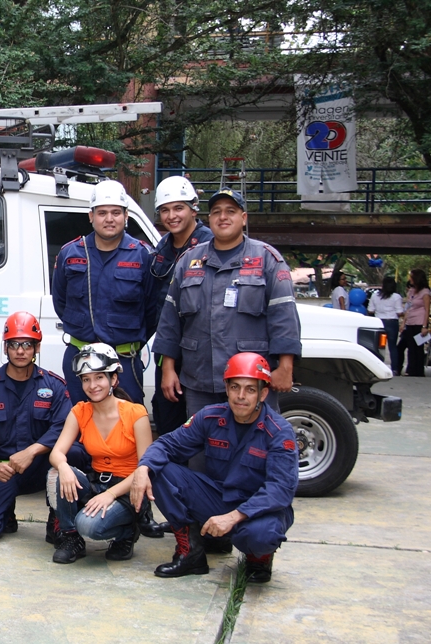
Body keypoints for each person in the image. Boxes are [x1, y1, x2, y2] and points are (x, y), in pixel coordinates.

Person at [130, 352, 298, 583]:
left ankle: (258, 558)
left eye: (250, 389)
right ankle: (191, 553)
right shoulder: (210, 417)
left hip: (258, 508)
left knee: (261, 535)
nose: (241, 396)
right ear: (226, 388)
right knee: (160, 469)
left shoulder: (279, 432)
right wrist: (143, 468)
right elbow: (168, 444)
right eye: (235, 387)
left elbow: (280, 490)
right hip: (219, 496)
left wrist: (232, 518)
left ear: (263, 393)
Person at [154, 188, 302, 416]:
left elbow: (284, 317)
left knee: (253, 448)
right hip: (199, 381)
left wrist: (285, 366)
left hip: (251, 381)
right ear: (209, 219)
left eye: (230, 211)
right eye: (216, 212)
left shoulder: (267, 259)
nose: (223, 217)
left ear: (243, 218)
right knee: (201, 448)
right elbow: (170, 321)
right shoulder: (189, 261)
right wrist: (168, 368)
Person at [0, 312, 71, 542]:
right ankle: (5, 512)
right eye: (14, 345)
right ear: (5, 348)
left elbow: (63, 427)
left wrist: (32, 451)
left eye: (26, 344)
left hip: (40, 468)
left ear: (37, 348)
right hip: (0, 471)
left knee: (76, 453)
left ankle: (59, 518)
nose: (20, 351)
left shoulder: (54, 386)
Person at [53, 179, 158, 405]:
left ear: (126, 215)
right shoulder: (70, 253)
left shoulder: (142, 255)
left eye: (115, 212)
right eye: (102, 213)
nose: (109, 219)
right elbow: (60, 302)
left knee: (127, 426)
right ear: (91, 216)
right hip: (79, 357)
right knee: (79, 423)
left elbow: (152, 311)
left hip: (123, 362)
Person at [48, 344, 155, 564]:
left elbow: (146, 468)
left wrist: (111, 494)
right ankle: (71, 539)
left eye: (99, 378)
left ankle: (127, 531)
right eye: (86, 379)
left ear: (113, 380)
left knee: (88, 525)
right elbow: (56, 452)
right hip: (97, 483)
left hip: (128, 490)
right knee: (56, 475)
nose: (92, 385)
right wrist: (65, 468)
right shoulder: (80, 411)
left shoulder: (136, 414)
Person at [149, 176, 214, 436]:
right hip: (167, 350)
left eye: (179, 208)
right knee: (167, 419)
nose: (171, 216)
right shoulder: (163, 247)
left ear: (193, 209)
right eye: (165, 210)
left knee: (201, 427)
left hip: (201, 355)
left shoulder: (210, 245)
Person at [367, 275, 405, 375]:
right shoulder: (396, 297)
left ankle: (376, 367)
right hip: (392, 322)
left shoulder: (375, 295)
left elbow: (370, 310)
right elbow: (399, 312)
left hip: (379, 322)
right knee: (393, 347)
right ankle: (395, 369)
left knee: (377, 346)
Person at [399, 268, 430, 377]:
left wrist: (424, 325)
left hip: (419, 321)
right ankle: (411, 369)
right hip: (410, 321)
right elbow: (409, 307)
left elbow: (427, 309)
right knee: (411, 347)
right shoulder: (412, 291)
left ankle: (418, 370)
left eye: (411, 277)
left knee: (418, 348)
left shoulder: (425, 292)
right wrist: (403, 323)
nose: (410, 279)